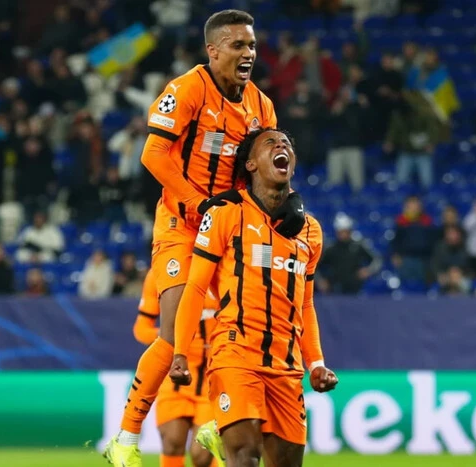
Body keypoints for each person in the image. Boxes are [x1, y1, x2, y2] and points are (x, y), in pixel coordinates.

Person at [104, 10, 306, 467]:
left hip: (228, 228)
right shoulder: (188, 88)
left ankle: (219, 420)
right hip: (181, 222)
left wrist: (287, 202)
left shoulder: (261, 106)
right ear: (213, 50)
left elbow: (263, 167)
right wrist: (199, 203)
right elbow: (153, 154)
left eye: (252, 46)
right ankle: (125, 439)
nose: (248, 54)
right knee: (174, 332)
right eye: (237, 45)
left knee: (244, 329)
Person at [170, 128, 337, 467]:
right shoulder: (225, 213)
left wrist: (315, 362)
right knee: (245, 456)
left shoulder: (311, 231)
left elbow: (305, 303)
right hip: (236, 353)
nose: (282, 147)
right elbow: (197, 287)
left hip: (287, 367)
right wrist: (180, 351)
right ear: (250, 164)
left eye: (287, 144)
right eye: (271, 143)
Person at [132, 268, 217, 467]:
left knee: (202, 454)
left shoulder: (222, 266)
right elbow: (141, 329)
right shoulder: (159, 272)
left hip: (213, 378)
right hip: (175, 376)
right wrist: (173, 337)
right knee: (171, 442)